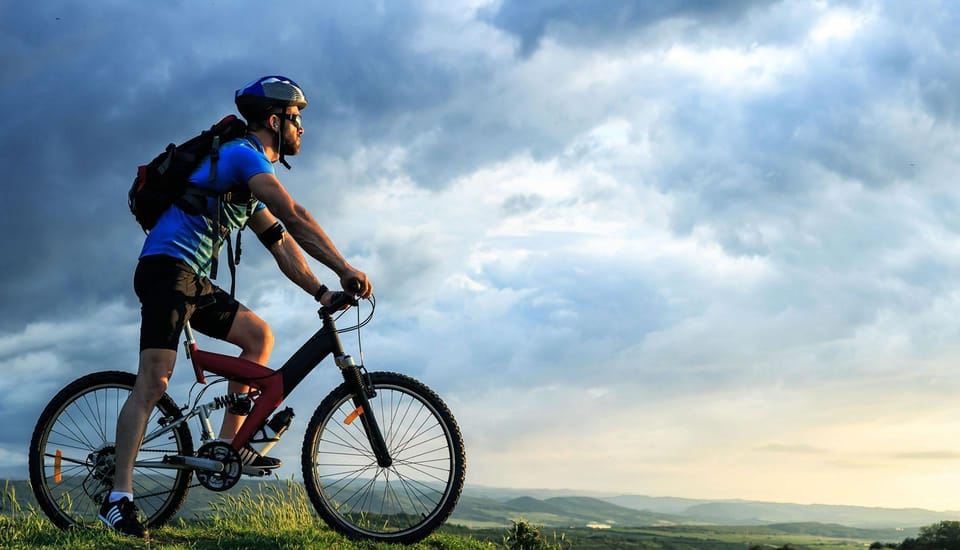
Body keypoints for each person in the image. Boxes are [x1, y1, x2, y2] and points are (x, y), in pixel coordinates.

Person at [100, 76, 373, 538]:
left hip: (192, 279)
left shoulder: (244, 181)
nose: (302, 129)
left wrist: (321, 292)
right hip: (166, 270)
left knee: (258, 337)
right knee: (154, 380)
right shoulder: (242, 155)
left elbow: (282, 244)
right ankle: (118, 497)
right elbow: (295, 215)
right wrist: (346, 266)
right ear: (275, 120)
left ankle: (229, 445)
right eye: (297, 119)